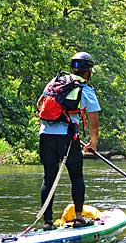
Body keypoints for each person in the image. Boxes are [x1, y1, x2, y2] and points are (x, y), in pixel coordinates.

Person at [37, 52, 100, 231]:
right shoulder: (85, 88)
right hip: (67, 137)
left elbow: (40, 104)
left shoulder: (55, 81)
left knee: (48, 178)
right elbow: (93, 121)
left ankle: (47, 222)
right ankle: (79, 219)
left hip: (45, 135)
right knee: (76, 175)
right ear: (88, 71)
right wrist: (92, 143)